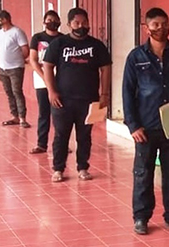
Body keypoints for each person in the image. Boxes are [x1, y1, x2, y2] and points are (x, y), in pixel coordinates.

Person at [122, 7, 169, 235]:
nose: (161, 28)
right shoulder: (136, 57)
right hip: (145, 126)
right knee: (143, 173)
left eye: (165, 24)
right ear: (147, 28)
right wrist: (133, 125)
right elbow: (127, 92)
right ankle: (141, 217)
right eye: (156, 25)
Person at [43, 7, 111, 182]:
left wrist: (104, 94)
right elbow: (48, 66)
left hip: (88, 100)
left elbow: (106, 68)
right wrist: (51, 91)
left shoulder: (97, 45)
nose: (81, 26)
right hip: (62, 100)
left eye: (84, 22)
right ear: (69, 24)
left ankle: (83, 167)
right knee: (61, 135)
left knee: (84, 136)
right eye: (77, 23)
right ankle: (58, 169)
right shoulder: (58, 44)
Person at [28, 10, 63, 154]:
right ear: (44, 22)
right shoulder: (37, 38)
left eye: (55, 19)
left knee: (60, 114)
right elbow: (33, 60)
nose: (52, 22)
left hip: (60, 80)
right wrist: (44, 77)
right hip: (41, 81)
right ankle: (41, 144)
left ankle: (61, 144)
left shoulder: (63, 39)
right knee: (44, 113)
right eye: (49, 20)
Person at [0, 10, 30, 128]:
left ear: (5, 19)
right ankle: (14, 116)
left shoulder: (17, 32)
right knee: (9, 92)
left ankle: (22, 118)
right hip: (2, 68)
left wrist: (19, 60)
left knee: (17, 91)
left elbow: (25, 49)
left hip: (15, 68)